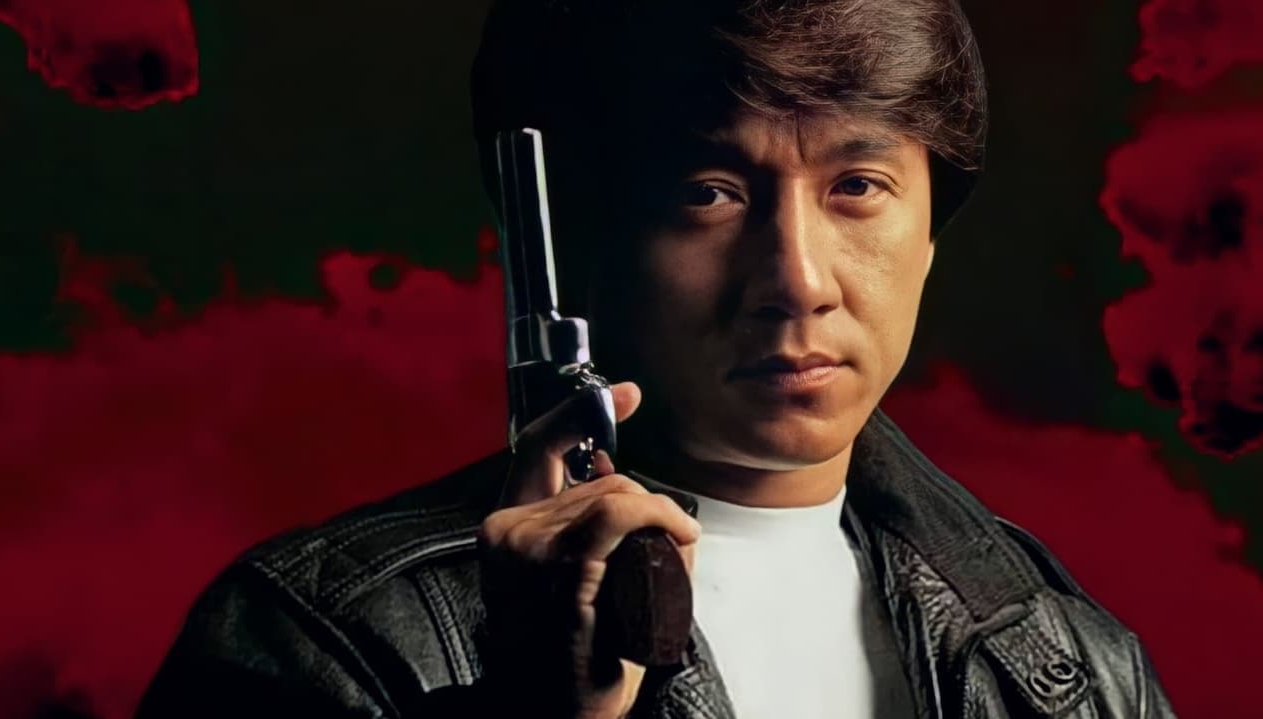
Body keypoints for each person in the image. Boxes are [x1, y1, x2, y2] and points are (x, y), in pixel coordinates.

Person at [136, 1, 1177, 717]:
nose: (797, 278)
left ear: (931, 230)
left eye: (856, 186)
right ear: (579, 239)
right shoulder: (323, 639)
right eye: (707, 193)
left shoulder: (1071, 657)